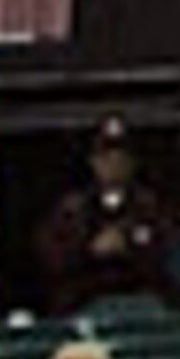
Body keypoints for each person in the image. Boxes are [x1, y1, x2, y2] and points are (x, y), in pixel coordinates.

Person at [35, 118, 170, 318]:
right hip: (82, 303)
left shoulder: (151, 208)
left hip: (139, 301)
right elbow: (51, 257)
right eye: (106, 158)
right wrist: (89, 249)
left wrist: (128, 245)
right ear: (94, 162)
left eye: (121, 158)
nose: (114, 164)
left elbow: (166, 255)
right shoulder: (70, 210)